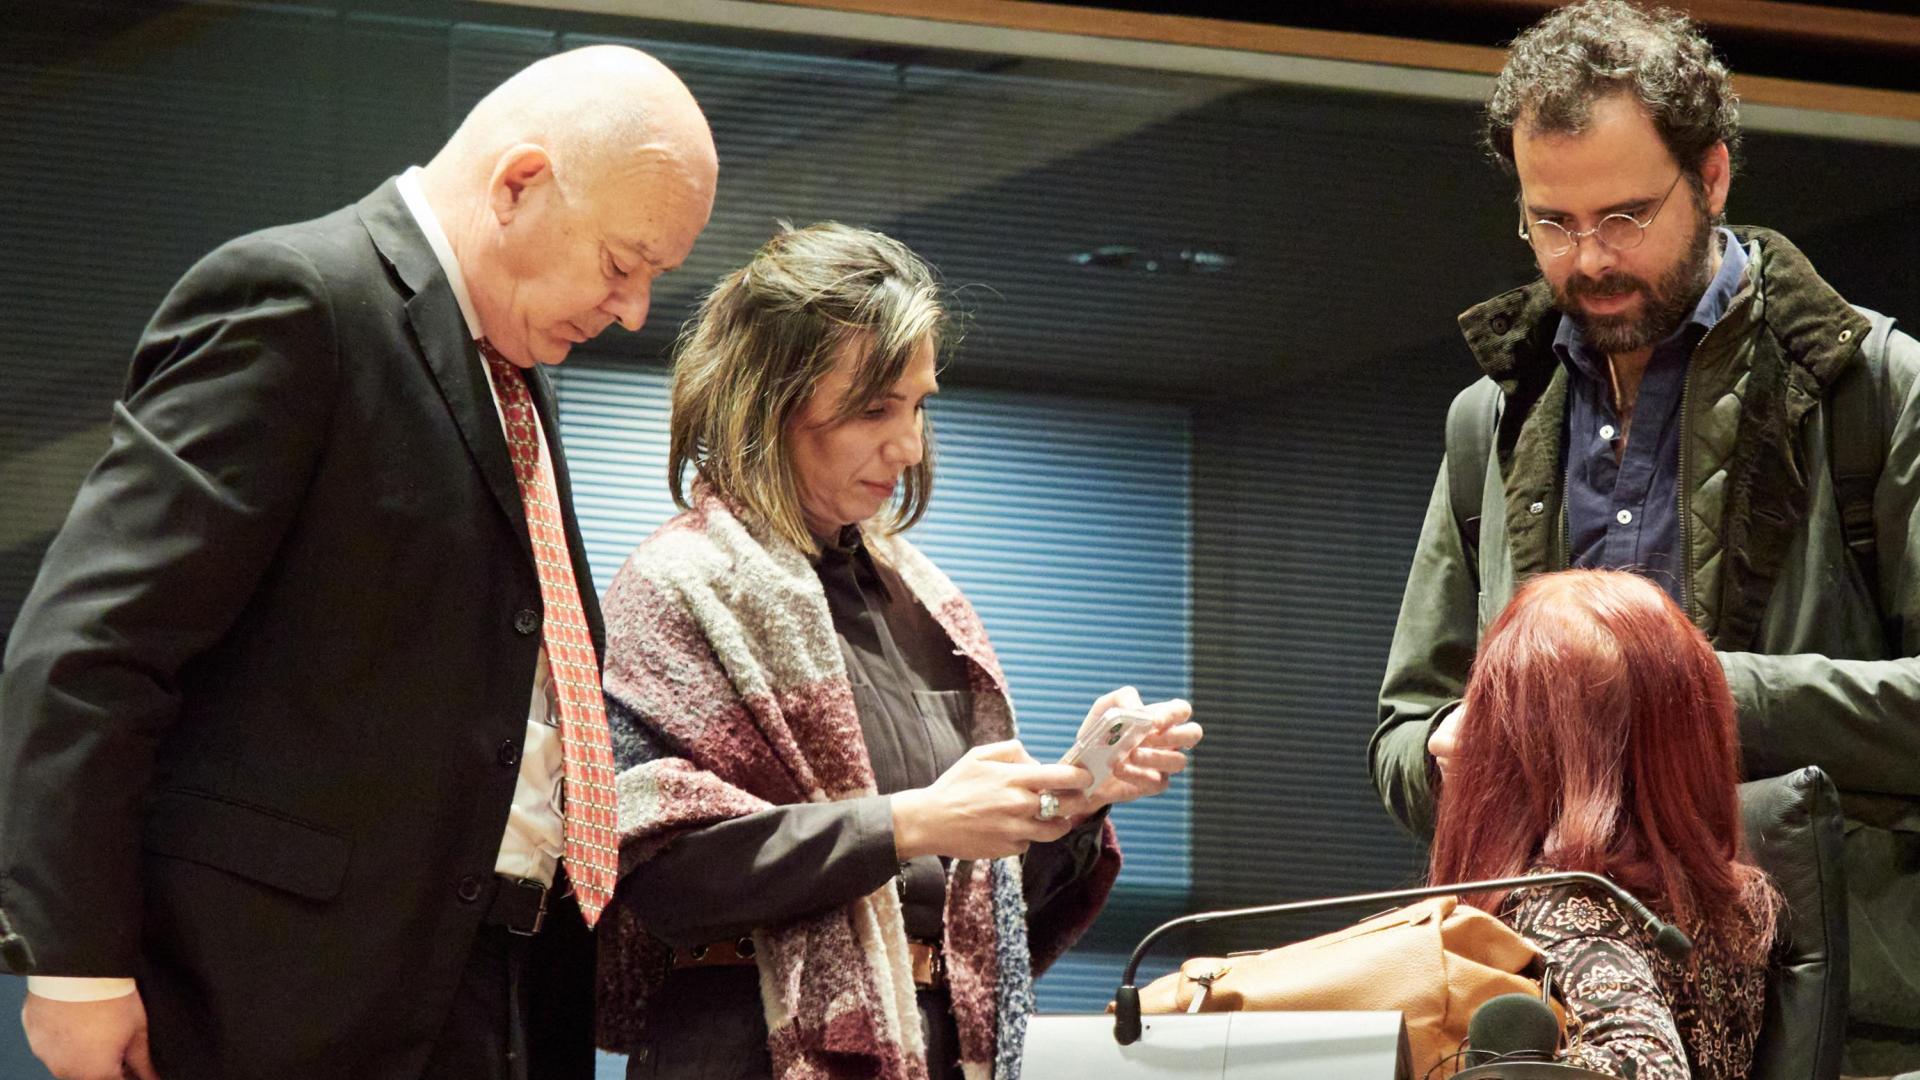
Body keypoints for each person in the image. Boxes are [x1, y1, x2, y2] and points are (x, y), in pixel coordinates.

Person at [0, 45, 718, 1080]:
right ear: (518, 183)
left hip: (492, 987)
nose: (636, 309)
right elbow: (92, 648)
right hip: (284, 1001)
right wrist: (75, 968)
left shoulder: (515, 371)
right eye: (622, 263)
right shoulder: (299, 301)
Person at [1369, 2, 1920, 1070]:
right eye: (1551, 222)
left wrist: (1680, 694)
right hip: (1554, 1021)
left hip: (1839, 1026)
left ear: (1712, 177)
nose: (1589, 259)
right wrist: (1459, 749)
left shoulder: (1876, 389)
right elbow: (1400, 738)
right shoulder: (1492, 418)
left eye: (1625, 216)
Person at [591, 222, 1203, 1079]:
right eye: (875, 409)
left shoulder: (929, 605)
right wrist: (910, 823)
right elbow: (661, 871)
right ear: (766, 401)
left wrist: (1069, 806)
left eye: (918, 406)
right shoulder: (676, 585)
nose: (909, 446)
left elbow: (980, 912)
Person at [1427, 570, 1778, 1080]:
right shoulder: (1724, 901)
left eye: (1490, 710)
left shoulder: (1562, 908)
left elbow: (1647, 1067)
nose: (1445, 739)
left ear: (1535, 745)